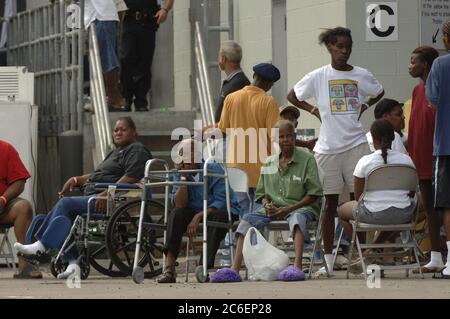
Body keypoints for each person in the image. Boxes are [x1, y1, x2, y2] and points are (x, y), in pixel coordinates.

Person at [287, 27, 384, 273]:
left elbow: (379, 91)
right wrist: (312, 110)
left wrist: (364, 104)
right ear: (330, 47)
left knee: (358, 204)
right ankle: (328, 263)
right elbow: (292, 95)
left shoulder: (362, 74)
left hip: (356, 145)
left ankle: (359, 259)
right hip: (327, 149)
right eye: (339, 47)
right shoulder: (318, 76)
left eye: (348, 47)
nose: (344, 51)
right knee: (329, 205)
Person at [15, 117, 152, 279]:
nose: (118, 133)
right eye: (116, 130)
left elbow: (131, 176)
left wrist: (107, 194)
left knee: (65, 204)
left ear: (133, 132)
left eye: (123, 129)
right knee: (56, 219)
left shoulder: (136, 149)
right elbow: (97, 175)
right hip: (95, 195)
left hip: (111, 200)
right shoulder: (116, 152)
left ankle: (41, 246)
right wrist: (76, 180)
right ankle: (73, 264)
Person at [211, 121, 323, 281]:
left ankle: (297, 267)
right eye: (282, 137)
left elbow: (314, 194)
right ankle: (234, 269)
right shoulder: (269, 162)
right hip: (273, 209)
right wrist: (266, 204)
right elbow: (262, 194)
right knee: (246, 219)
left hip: (299, 207)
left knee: (297, 218)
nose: (286, 140)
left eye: (289, 136)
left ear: (295, 137)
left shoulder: (307, 160)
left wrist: (289, 209)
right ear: (276, 140)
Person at [156, 139, 241, 283]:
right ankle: (169, 268)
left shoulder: (213, 168)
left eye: (190, 154)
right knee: (176, 214)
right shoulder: (180, 172)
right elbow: (180, 204)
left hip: (219, 210)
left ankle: (203, 267)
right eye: (182, 154)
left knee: (218, 217)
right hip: (194, 209)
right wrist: (183, 178)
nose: (185, 159)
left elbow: (221, 201)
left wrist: (198, 216)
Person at [337, 119, 416, 251]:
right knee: (392, 215)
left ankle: (363, 250)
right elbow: (411, 193)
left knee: (341, 212)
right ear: (393, 137)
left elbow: (358, 197)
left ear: (373, 139)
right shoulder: (407, 160)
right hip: (403, 213)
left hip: (372, 214)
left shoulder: (365, 161)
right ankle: (372, 249)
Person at [218, 62, 281, 216]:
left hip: (235, 166)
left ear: (254, 76)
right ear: (270, 84)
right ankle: (255, 240)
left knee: (244, 212)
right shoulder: (268, 102)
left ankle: (241, 239)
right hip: (261, 167)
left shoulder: (231, 98)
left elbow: (223, 128)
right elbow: (275, 136)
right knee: (260, 213)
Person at [408, 46, 443, 273]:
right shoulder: (416, 90)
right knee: (429, 208)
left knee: (443, 208)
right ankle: (436, 257)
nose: (410, 65)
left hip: (438, 156)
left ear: (426, 65)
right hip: (419, 159)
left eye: (414, 61)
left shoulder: (438, 89)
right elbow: (413, 127)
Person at [426, 20, 450, 279]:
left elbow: (432, 103)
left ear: (446, 37)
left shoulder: (440, 64)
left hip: (446, 145)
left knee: (447, 205)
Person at [120, 0, 174, 111]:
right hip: (128, 20)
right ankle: (126, 98)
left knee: (145, 60)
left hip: (147, 21)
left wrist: (165, 10)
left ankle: (141, 100)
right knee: (126, 58)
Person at [0, 140, 42, 279]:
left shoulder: (5, 148)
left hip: (2, 207)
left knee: (23, 207)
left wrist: (3, 199)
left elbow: (19, 181)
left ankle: (26, 266)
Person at [84, 0, 127, 111]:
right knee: (103, 58)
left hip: (100, 15)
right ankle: (108, 97)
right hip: (101, 15)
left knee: (106, 59)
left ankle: (113, 97)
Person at [214, 41, 251, 122]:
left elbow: (233, 119)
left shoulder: (238, 84)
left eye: (219, 56)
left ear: (223, 59)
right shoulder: (235, 81)